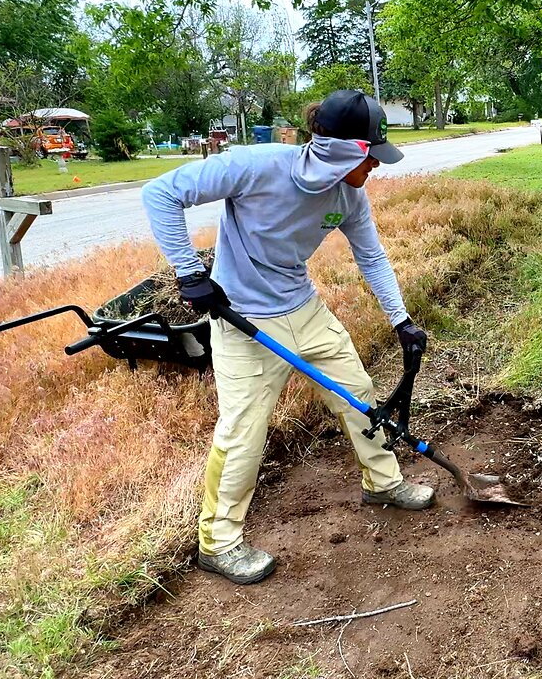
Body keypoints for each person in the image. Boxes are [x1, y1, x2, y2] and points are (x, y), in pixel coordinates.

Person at [141, 89, 434, 585]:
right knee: (243, 433)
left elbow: (372, 256)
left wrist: (401, 320)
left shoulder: (350, 195)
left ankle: (383, 483)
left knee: (358, 395)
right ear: (347, 152)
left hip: (305, 308)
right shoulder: (256, 166)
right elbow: (161, 193)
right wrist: (191, 273)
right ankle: (219, 543)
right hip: (244, 320)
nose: (377, 168)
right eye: (373, 157)